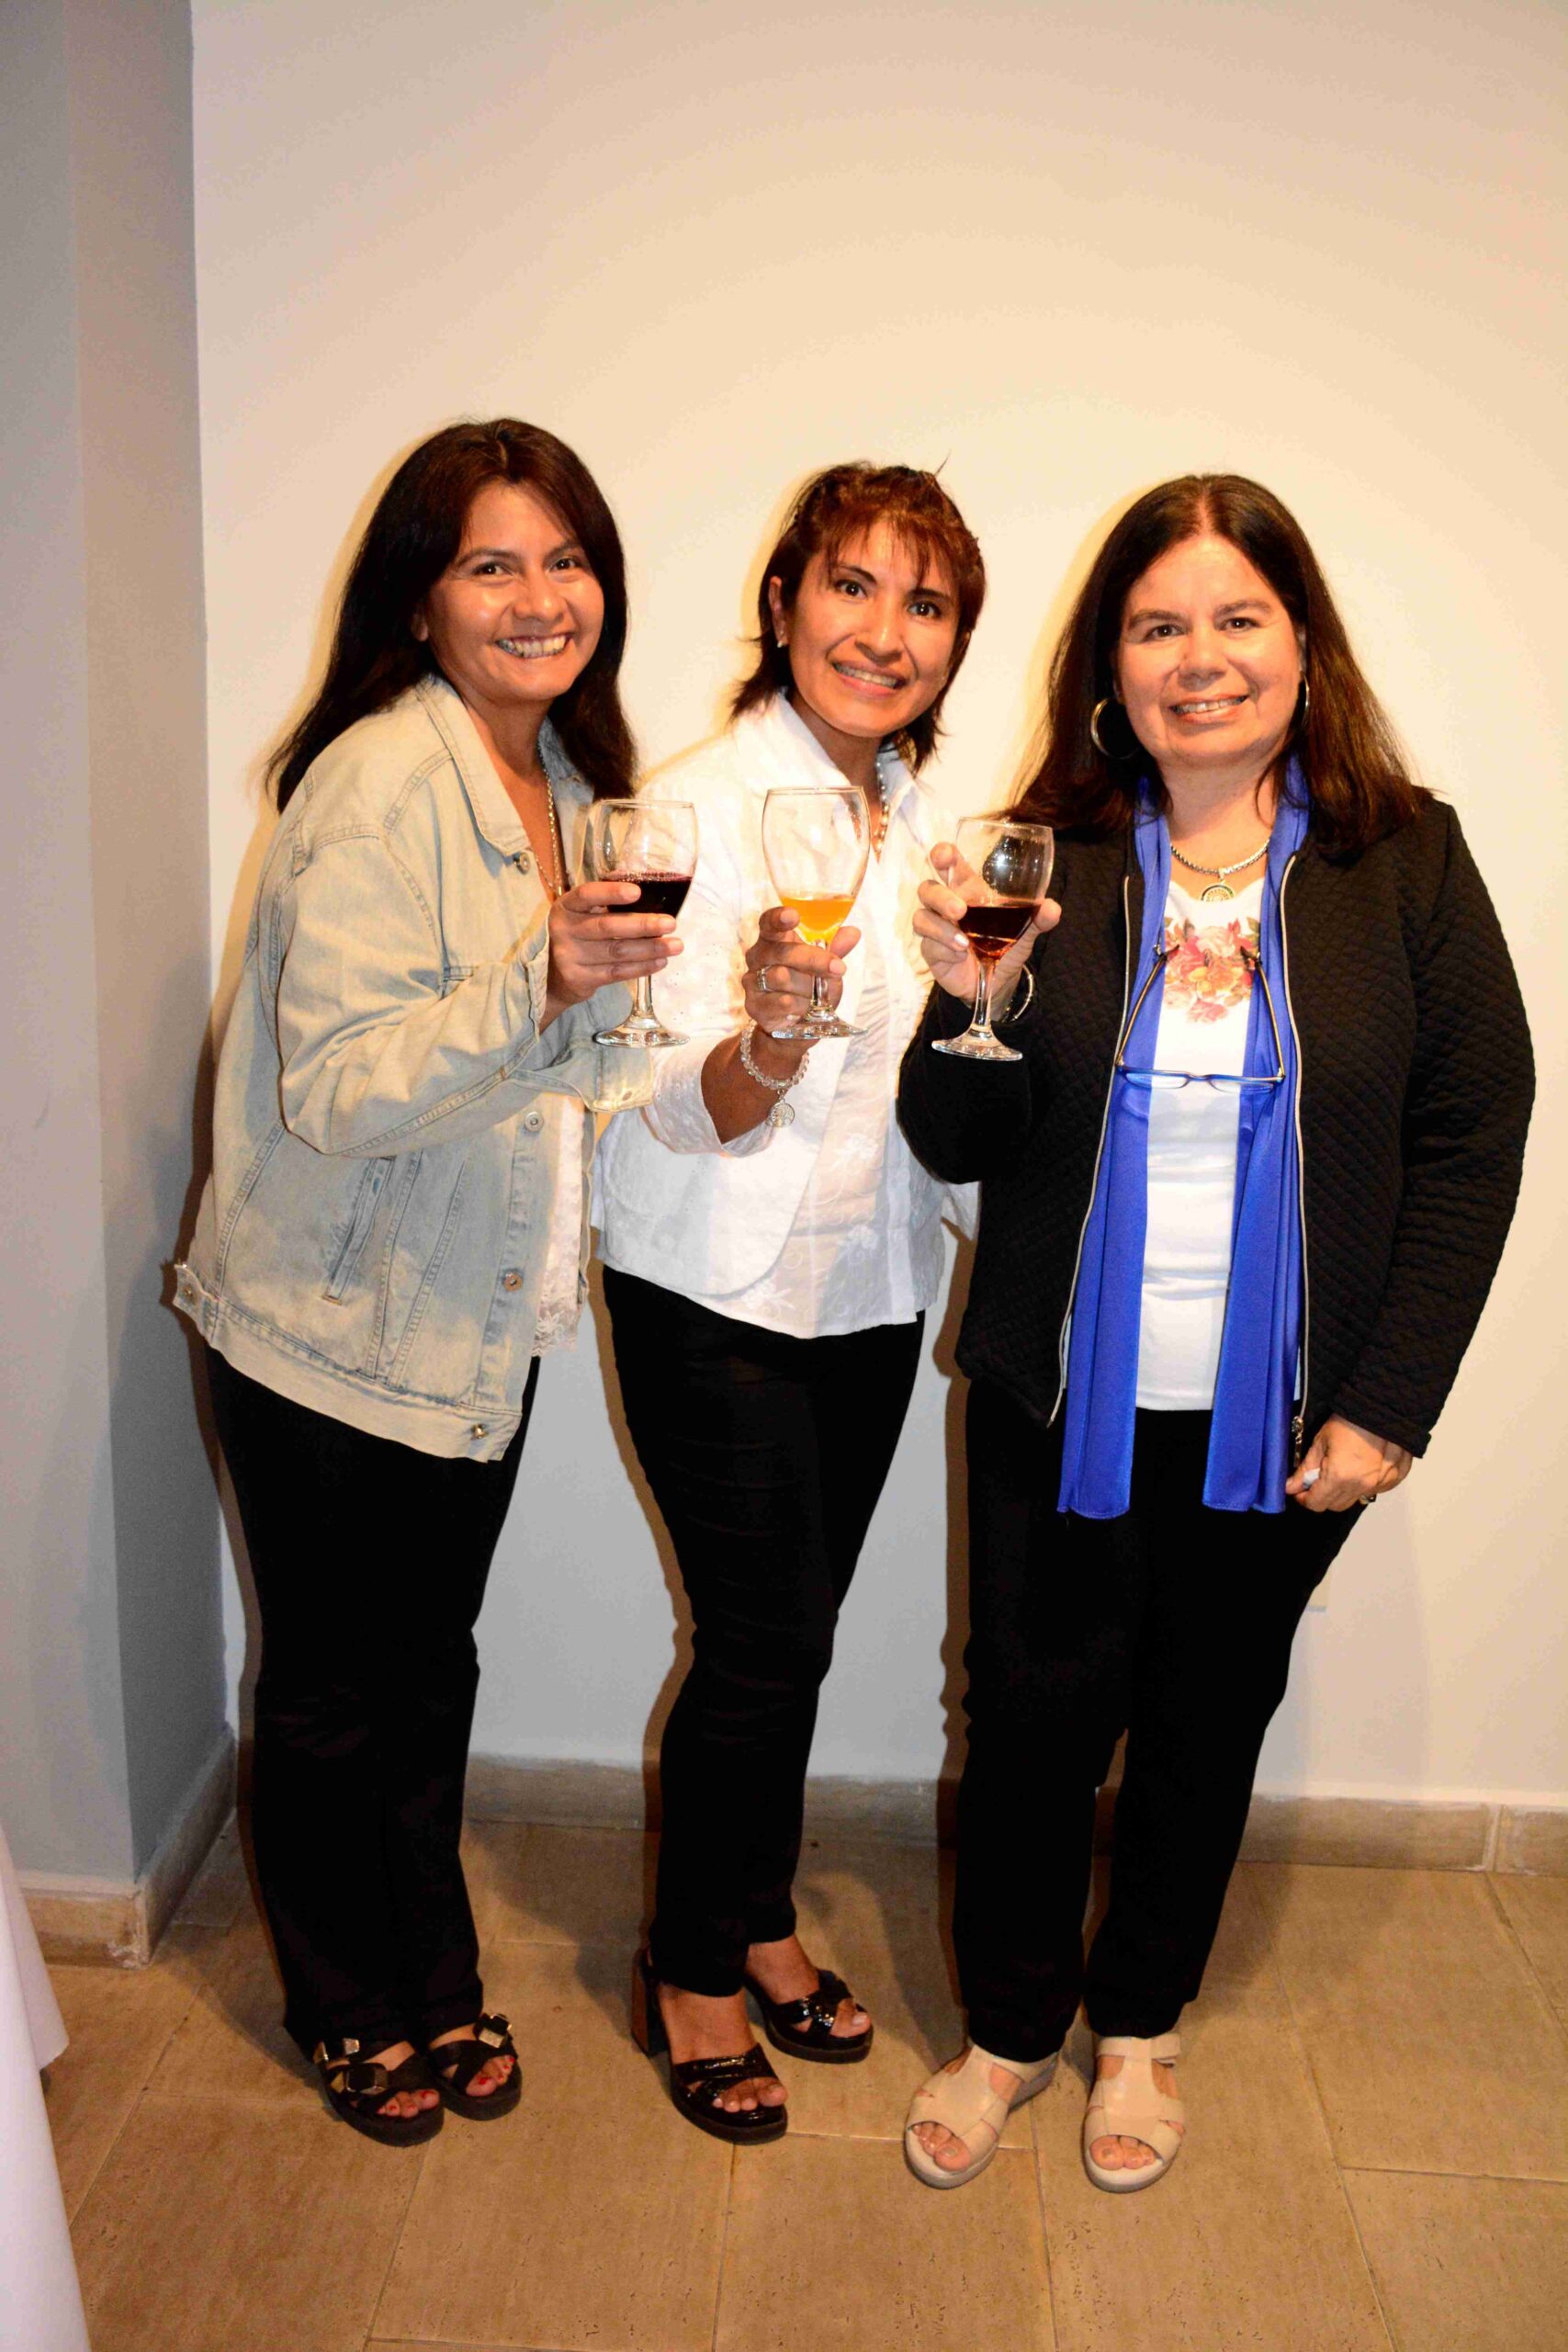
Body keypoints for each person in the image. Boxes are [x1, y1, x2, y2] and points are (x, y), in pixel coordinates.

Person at [897, 473, 1533, 2193]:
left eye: (1238, 618)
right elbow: (953, 1139)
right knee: (1028, 1724)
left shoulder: (1405, 859)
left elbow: (1476, 1130)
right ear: (1110, 662)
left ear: (1301, 640)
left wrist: (1392, 1398)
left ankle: (1141, 2024)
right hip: (1057, 1394)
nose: (1200, 658)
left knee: (1206, 1719)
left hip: (1289, 1412)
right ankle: (1011, 2029)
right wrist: (973, 1004)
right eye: (1159, 625)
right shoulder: (1050, 853)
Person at [175, 420, 678, 2143]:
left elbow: (568, 1064)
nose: (540, 597)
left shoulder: (575, 790)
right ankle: (349, 2002)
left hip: (471, 1316)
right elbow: (338, 1086)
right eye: (491, 564)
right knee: (332, 1688)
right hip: (323, 1325)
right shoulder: (381, 781)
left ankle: (435, 1968)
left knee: (426, 1665)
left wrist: (685, 1018)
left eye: (566, 559)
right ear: (422, 598)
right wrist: (545, 981)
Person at [593, 463, 987, 2142]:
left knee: (796, 1636)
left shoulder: (928, 830)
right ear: (784, 601)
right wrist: (762, 1035)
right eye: (853, 585)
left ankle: (755, 1916)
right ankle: (690, 1969)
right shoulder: (685, 812)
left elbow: (941, 1089)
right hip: (711, 1290)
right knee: (760, 1644)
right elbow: (651, 1096)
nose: (885, 631)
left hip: (870, 1290)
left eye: (926, 603)